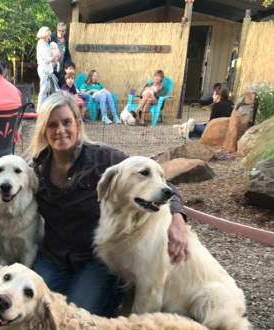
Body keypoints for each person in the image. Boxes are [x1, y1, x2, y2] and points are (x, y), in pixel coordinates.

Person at [25, 92, 188, 317]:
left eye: (66, 122)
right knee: (33, 313)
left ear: (78, 125)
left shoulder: (104, 159)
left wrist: (178, 221)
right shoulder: (35, 170)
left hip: (95, 259)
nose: (60, 130)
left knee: (79, 320)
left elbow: (163, 185)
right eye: (52, 125)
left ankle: (111, 293)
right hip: (54, 258)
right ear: (44, 130)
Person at [36, 26, 59, 112]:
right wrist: (54, 56)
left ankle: (46, 108)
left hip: (48, 69)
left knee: (48, 89)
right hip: (44, 69)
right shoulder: (41, 44)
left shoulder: (46, 43)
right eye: (48, 35)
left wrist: (54, 58)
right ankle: (39, 110)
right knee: (44, 90)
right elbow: (47, 59)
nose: (49, 37)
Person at [50, 22, 71, 87]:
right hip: (52, 65)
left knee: (61, 83)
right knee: (52, 85)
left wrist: (68, 64)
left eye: (63, 31)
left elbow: (66, 52)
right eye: (59, 30)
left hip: (61, 66)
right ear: (57, 30)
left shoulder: (66, 39)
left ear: (65, 31)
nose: (61, 32)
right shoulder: (52, 37)